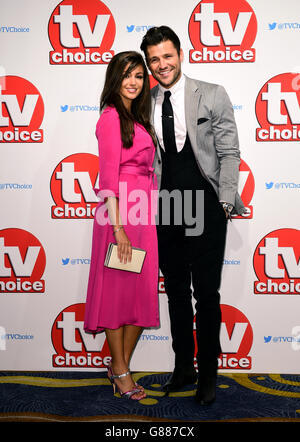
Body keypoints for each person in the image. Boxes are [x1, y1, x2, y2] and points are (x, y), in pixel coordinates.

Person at [140, 26, 245, 405]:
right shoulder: (145, 100)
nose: (162, 65)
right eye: (154, 59)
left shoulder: (212, 93)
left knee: (207, 295)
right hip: (166, 207)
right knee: (176, 296)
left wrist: (226, 202)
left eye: (167, 56)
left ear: (180, 55)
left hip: (206, 205)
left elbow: (230, 152)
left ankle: (209, 376)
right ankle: (183, 367)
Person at [84, 51, 159, 401]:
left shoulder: (140, 118)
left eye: (139, 76)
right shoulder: (112, 118)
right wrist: (118, 228)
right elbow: (108, 179)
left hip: (143, 213)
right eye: (127, 75)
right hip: (120, 215)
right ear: (115, 79)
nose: (133, 82)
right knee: (116, 294)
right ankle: (122, 370)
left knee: (140, 295)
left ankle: (118, 367)